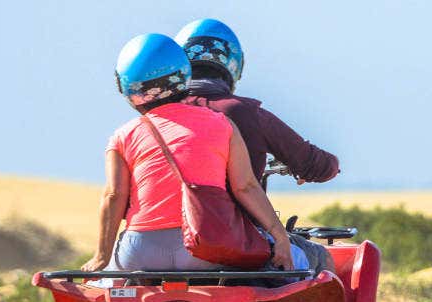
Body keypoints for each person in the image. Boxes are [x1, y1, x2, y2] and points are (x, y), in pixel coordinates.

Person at [80, 33, 308, 273]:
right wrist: (280, 237)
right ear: (183, 75)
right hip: (205, 248)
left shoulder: (123, 135)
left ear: (127, 87)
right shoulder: (223, 124)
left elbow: (114, 196)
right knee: (296, 270)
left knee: (103, 287)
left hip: (141, 252)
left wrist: (101, 256)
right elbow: (246, 187)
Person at [173, 18, 339, 186]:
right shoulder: (245, 113)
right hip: (226, 212)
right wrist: (331, 165)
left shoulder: (157, 115)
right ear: (234, 63)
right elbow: (317, 165)